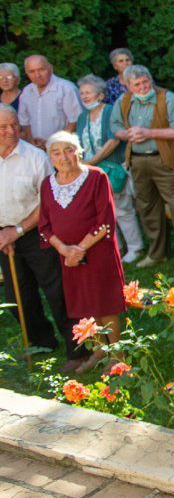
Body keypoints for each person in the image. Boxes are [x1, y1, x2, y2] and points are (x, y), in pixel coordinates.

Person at [37, 131, 126, 372]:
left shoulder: (96, 177)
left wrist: (80, 249)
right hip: (69, 258)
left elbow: (105, 219)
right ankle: (99, 350)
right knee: (85, 306)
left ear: (79, 152)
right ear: (50, 157)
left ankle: (118, 355)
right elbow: (44, 226)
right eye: (56, 152)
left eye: (68, 150)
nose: (63, 157)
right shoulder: (48, 185)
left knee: (104, 305)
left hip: (98, 253)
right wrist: (65, 250)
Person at [0, 106, 82, 365]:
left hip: (37, 233)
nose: (11, 131)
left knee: (57, 291)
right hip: (4, 239)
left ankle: (78, 350)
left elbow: (47, 202)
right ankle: (41, 343)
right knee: (18, 298)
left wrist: (18, 230)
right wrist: (5, 234)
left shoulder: (35, 157)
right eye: (3, 127)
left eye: (14, 125)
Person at [110, 65, 174, 267]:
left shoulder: (167, 99)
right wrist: (126, 134)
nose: (142, 87)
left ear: (151, 80)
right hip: (138, 161)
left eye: (145, 82)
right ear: (128, 86)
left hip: (167, 161)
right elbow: (115, 126)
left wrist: (148, 133)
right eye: (137, 84)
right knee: (148, 208)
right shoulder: (123, 102)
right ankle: (157, 253)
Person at [75, 75, 143, 264]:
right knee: (103, 211)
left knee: (122, 208)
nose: (84, 96)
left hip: (113, 169)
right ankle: (117, 246)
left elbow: (114, 140)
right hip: (92, 171)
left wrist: (92, 161)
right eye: (82, 93)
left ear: (101, 94)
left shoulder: (110, 111)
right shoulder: (82, 117)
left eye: (88, 92)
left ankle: (136, 247)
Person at [18, 55, 80, 148]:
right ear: (27, 73)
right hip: (35, 148)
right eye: (32, 71)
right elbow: (25, 121)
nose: (37, 75)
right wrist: (32, 142)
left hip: (62, 148)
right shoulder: (27, 91)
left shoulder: (66, 89)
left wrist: (52, 143)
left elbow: (75, 121)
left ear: (50, 68)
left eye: (41, 70)